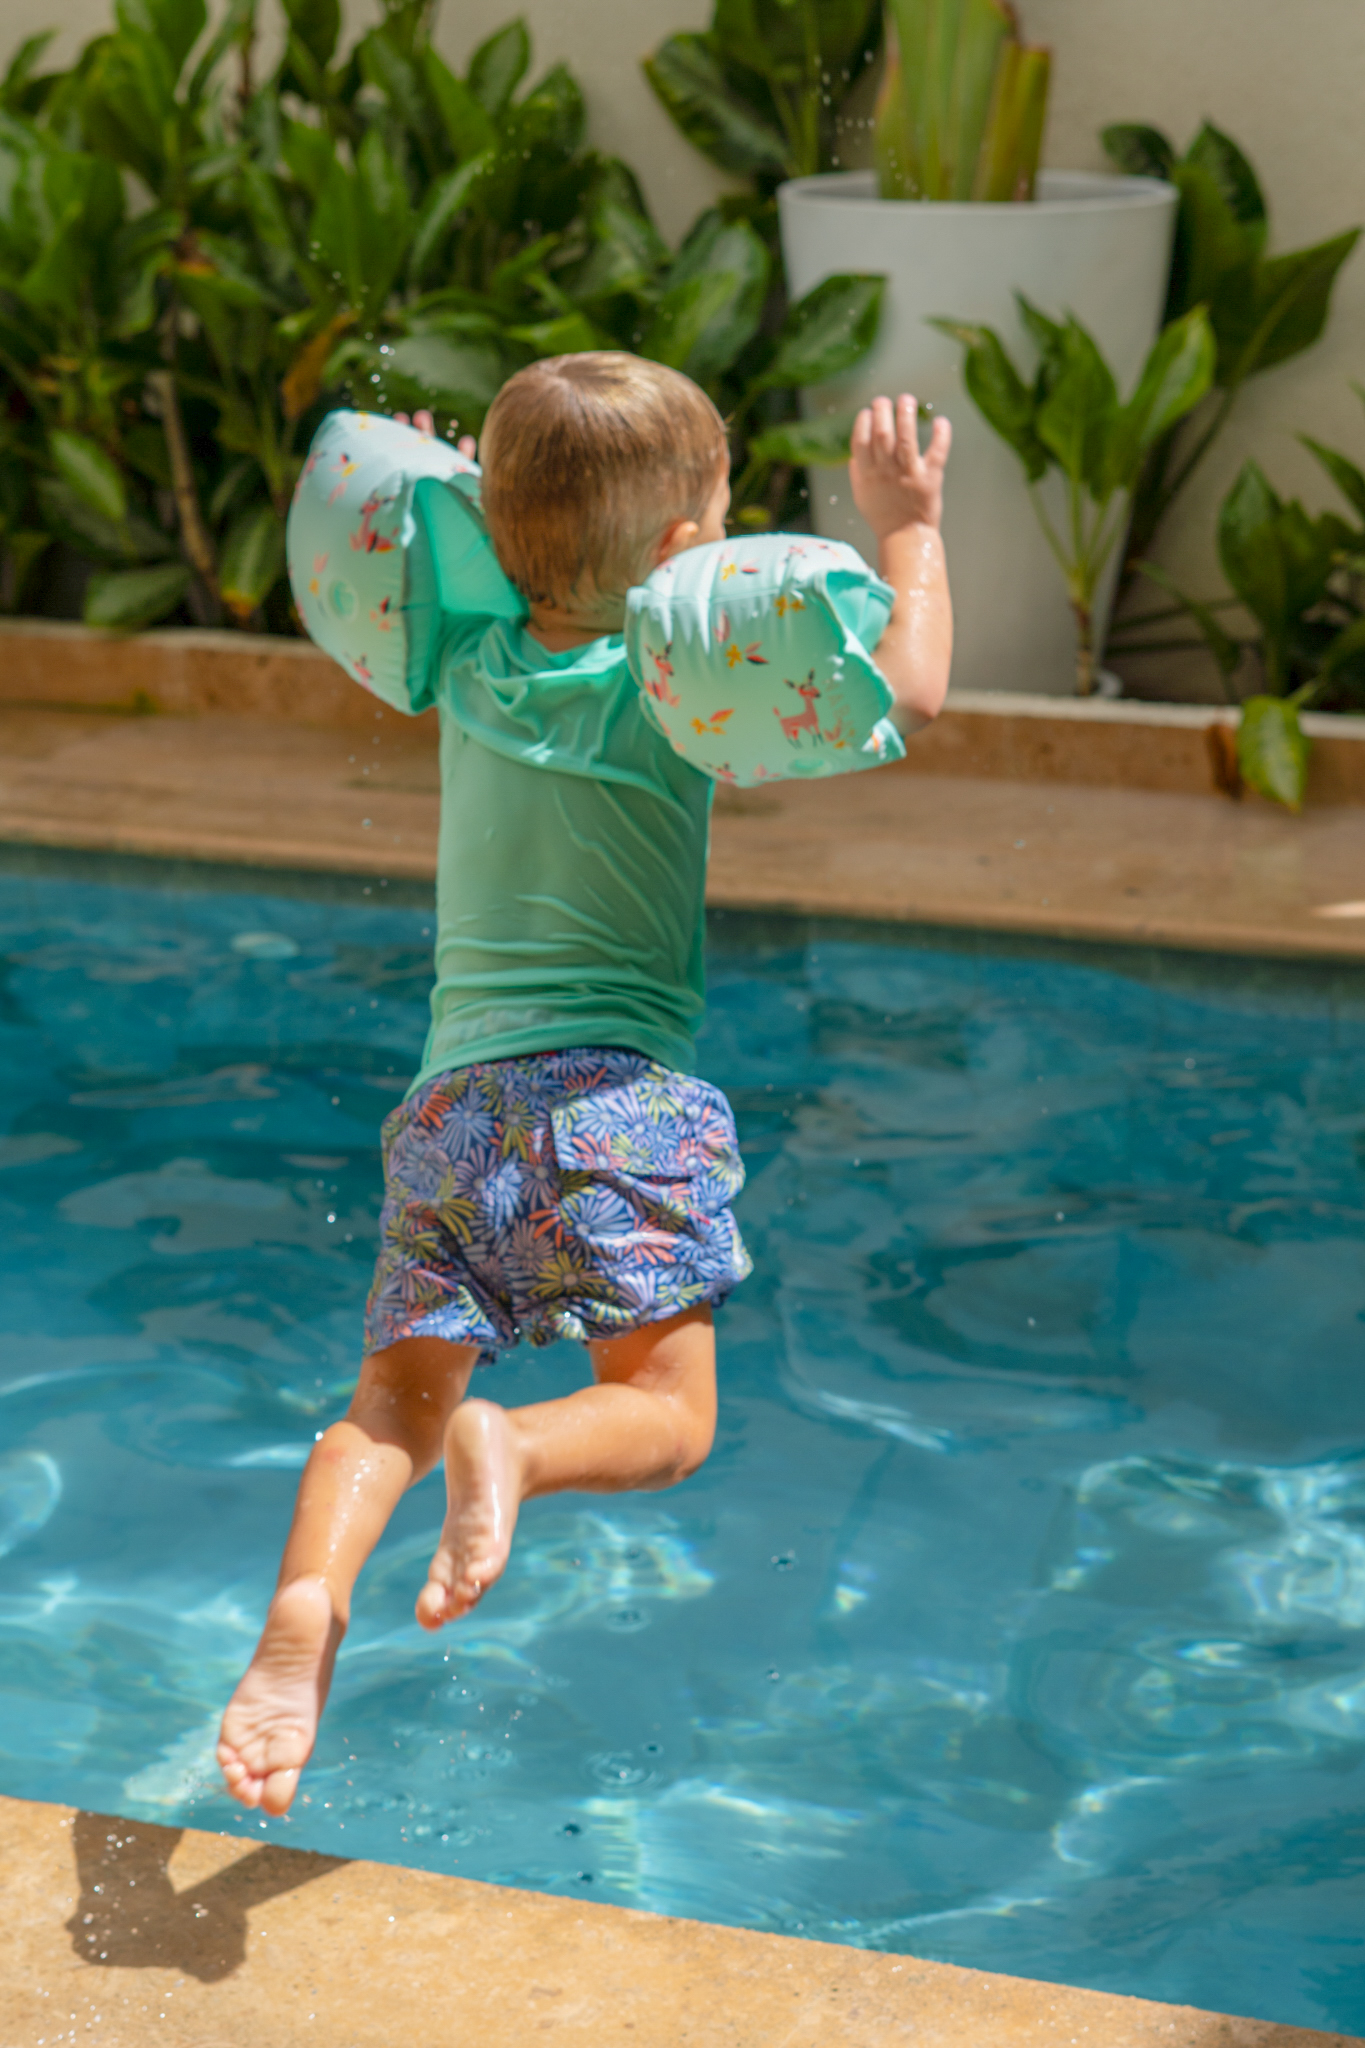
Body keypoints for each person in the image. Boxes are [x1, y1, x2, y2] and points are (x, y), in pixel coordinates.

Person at [217, 353, 952, 1817]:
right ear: (684, 553)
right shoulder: (672, 686)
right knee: (667, 1417)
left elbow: (439, 537)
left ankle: (307, 1605)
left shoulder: (462, 657)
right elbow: (909, 693)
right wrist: (909, 529)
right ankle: (519, 1447)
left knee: (389, 1409)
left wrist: (449, 491)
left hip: (451, 1111)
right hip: (614, 1102)